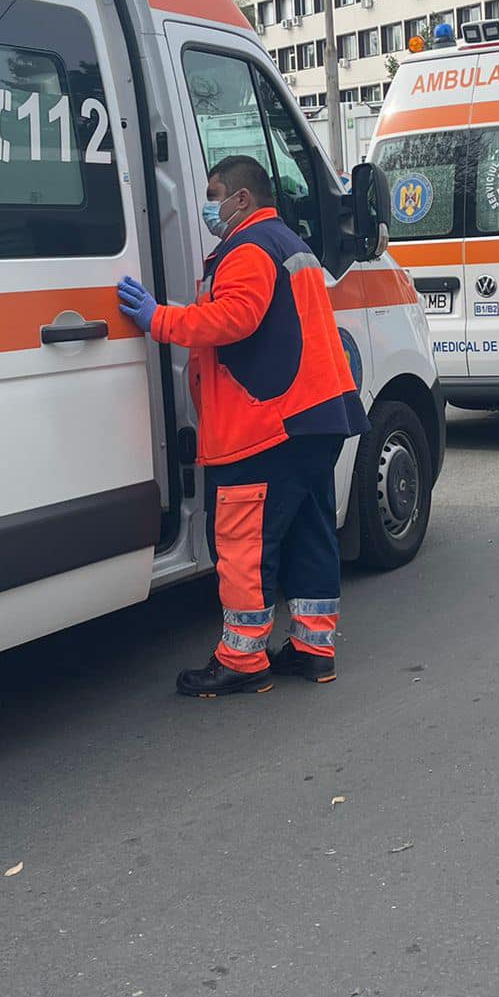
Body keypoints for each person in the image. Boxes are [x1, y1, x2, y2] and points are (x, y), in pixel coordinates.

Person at [117, 156, 366, 697]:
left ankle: (243, 659)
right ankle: (313, 649)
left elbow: (234, 318)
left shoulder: (249, 247)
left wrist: (158, 318)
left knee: (244, 545)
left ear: (242, 198)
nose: (210, 206)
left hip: (265, 424)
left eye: (214, 195)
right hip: (313, 417)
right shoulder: (288, 244)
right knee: (309, 534)